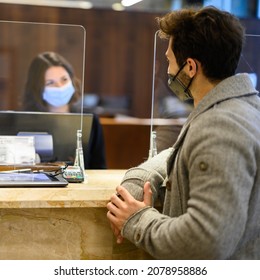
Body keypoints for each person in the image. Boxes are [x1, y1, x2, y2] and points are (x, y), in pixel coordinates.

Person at [106, 6, 260, 259]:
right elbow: (182, 153)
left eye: (169, 60)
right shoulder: (240, 107)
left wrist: (136, 220)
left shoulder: (220, 127)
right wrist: (140, 177)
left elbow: (204, 242)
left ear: (190, 67)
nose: (167, 69)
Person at [22, 51, 106, 169]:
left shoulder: (90, 120)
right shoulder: (23, 121)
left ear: (72, 80)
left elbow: (100, 167)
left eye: (64, 79)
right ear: (37, 88)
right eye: (50, 82)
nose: (60, 87)